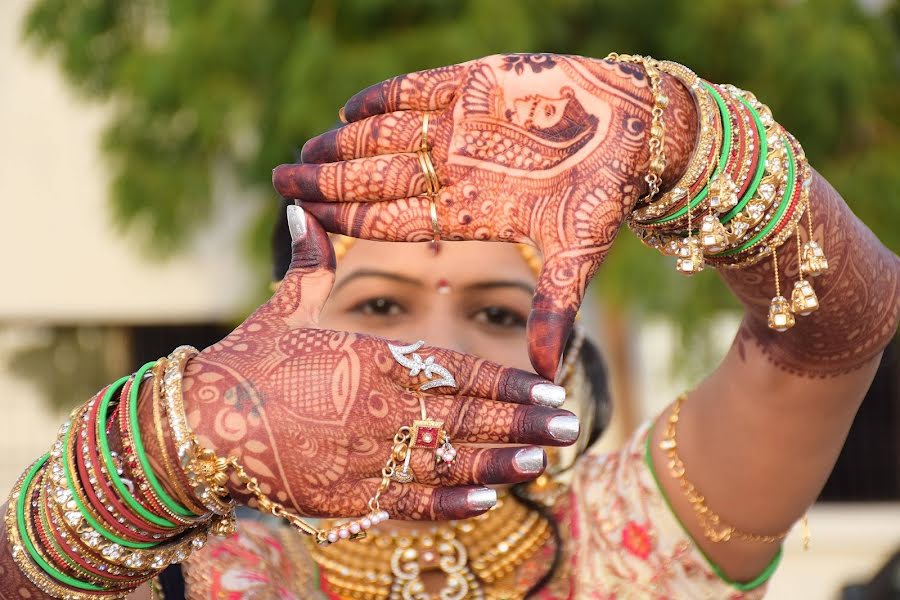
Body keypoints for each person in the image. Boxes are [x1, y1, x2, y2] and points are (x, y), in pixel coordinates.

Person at [1, 53, 897, 600]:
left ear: (565, 366)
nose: (434, 350)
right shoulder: (198, 567)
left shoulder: (633, 540)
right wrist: (163, 448)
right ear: (283, 340)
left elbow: (832, 335)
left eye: (499, 312)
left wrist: (687, 142)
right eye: (380, 305)